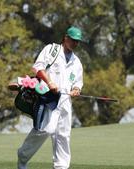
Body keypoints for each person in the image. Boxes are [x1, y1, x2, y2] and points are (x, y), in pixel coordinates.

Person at [17, 26, 84, 169]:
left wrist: (76, 90)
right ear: (65, 38)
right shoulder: (52, 49)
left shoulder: (77, 62)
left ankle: (61, 167)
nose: (75, 43)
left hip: (65, 102)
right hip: (47, 99)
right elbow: (38, 68)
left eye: (78, 41)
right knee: (46, 129)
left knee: (63, 135)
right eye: (73, 40)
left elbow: (78, 82)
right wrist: (50, 82)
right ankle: (23, 157)